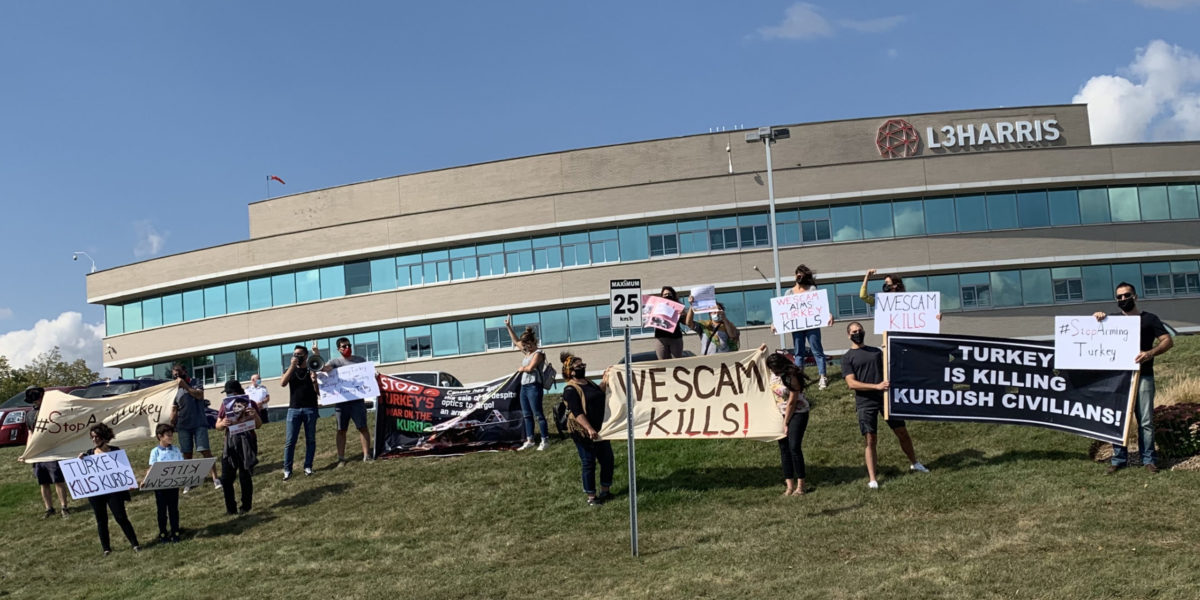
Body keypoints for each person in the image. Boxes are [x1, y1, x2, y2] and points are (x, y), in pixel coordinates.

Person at [1094, 282, 1173, 474]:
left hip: (1143, 376)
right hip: (1119, 379)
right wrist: (1098, 318)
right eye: (1119, 297)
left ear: (1135, 296)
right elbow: (1094, 339)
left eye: (1126, 295)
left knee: (1145, 421)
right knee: (1117, 420)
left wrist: (1149, 353)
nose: (1123, 299)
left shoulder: (1149, 319)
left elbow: (1168, 341)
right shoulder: (1110, 322)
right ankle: (1119, 459)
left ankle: (1149, 460)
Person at [841, 321, 930, 489]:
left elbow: (892, 365)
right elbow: (851, 383)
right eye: (854, 331)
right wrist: (876, 386)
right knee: (870, 439)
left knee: (902, 432)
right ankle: (873, 479)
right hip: (865, 403)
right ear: (848, 335)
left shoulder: (876, 352)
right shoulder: (847, 358)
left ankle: (915, 463)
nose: (857, 333)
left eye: (859, 330)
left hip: (886, 399)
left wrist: (889, 348)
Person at [559, 351, 615, 506]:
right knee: (588, 461)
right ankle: (591, 496)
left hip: (600, 429)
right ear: (570, 372)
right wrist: (589, 429)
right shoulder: (570, 390)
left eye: (583, 364)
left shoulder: (588, 382)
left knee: (607, 460)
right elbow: (577, 412)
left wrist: (606, 377)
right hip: (583, 432)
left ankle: (605, 491)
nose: (582, 367)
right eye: (578, 366)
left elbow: (599, 392)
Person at [80, 423, 140, 555]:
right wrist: (80, 461)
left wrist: (129, 482)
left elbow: (124, 469)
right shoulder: (88, 454)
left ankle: (135, 543)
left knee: (120, 517)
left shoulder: (115, 451)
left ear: (104, 437)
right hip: (97, 492)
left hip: (114, 490)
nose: (94, 440)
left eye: (97, 437)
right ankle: (106, 548)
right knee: (101, 520)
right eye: (92, 437)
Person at [314, 338, 373, 466]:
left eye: (348, 345)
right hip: (341, 402)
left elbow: (369, 375)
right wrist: (317, 354)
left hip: (357, 401)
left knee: (362, 427)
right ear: (338, 349)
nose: (347, 348)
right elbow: (324, 368)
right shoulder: (336, 362)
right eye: (343, 346)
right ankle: (341, 458)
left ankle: (367, 455)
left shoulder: (360, 360)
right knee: (341, 429)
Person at [168, 363, 220, 492]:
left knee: (205, 450)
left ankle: (215, 478)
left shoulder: (196, 381)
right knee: (186, 453)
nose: (176, 376)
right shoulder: (174, 389)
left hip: (198, 423)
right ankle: (189, 481)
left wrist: (184, 386)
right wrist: (171, 423)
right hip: (183, 426)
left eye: (179, 372)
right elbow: (174, 408)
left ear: (185, 371)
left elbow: (199, 395)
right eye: (174, 374)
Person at [766, 351, 811, 496]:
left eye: (774, 369)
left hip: (797, 412)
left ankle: (800, 485)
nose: (773, 372)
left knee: (794, 447)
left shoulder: (792, 376)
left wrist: (786, 422)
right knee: (784, 449)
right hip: (780, 413)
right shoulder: (773, 374)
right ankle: (789, 485)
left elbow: (792, 402)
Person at [25, 386, 71, 519]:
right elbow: (30, 433)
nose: (37, 400)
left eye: (38, 396)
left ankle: (64, 507)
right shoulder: (30, 415)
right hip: (38, 453)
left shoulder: (53, 411)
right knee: (43, 482)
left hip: (53, 450)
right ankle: (49, 508)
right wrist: (28, 452)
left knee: (58, 480)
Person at [216, 380, 261, 515]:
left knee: (245, 475)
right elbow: (217, 426)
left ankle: (246, 506)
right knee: (226, 478)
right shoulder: (225, 405)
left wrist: (255, 415)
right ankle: (231, 508)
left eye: (230, 392)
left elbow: (258, 425)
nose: (229, 395)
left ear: (236, 392)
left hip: (247, 441)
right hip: (230, 443)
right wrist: (223, 423)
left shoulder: (250, 404)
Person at [505, 318, 550, 451]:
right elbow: (515, 342)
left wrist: (521, 369)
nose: (525, 347)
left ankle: (545, 440)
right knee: (526, 414)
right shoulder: (527, 352)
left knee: (538, 414)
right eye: (525, 345)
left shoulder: (538, 353)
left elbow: (530, 368)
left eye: (527, 344)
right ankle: (530, 439)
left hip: (534, 386)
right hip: (524, 387)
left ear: (532, 342)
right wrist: (508, 326)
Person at [279, 345, 320, 480]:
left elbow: (319, 392)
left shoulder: (312, 369)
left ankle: (308, 466)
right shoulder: (290, 370)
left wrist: (314, 381)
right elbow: (283, 383)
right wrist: (292, 366)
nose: (297, 356)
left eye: (299, 354)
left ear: (306, 356)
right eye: (295, 354)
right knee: (290, 441)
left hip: (310, 408)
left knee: (310, 439)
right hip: (294, 409)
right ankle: (287, 470)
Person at [790, 265, 833, 390]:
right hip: (797, 327)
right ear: (795, 275)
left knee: (817, 350)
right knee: (799, 353)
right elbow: (783, 312)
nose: (799, 276)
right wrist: (775, 323)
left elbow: (820, 306)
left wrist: (828, 314)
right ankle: (799, 379)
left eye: (802, 274)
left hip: (812, 325)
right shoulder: (789, 292)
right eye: (798, 274)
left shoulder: (812, 290)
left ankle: (823, 376)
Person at [143, 423, 183, 543]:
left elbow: (181, 465)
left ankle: (175, 531)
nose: (170, 437)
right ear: (160, 436)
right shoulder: (155, 451)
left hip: (173, 485)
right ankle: (163, 532)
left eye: (171, 435)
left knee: (173, 509)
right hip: (160, 486)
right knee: (161, 510)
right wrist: (145, 480)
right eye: (168, 435)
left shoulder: (176, 450)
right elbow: (152, 467)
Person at [858, 269, 942, 321]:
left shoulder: (909, 301)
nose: (885, 285)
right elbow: (863, 296)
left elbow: (921, 316)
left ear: (895, 285)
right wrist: (867, 276)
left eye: (887, 283)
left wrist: (935, 317)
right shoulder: (881, 301)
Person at [653, 286, 686, 359]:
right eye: (665, 295)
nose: (667, 296)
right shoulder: (657, 306)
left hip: (675, 337)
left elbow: (685, 322)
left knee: (677, 362)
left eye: (669, 294)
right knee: (663, 363)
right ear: (661, 296)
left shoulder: (678, 307)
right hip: (661, 337)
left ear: (673, 296)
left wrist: (682, 314)